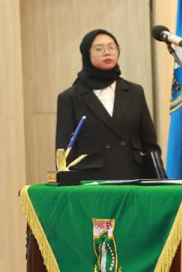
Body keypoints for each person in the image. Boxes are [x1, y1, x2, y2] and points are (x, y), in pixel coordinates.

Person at [55, 29, 160, 180]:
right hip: (91, 181)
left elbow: (150, 143)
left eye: (112, 47)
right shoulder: (70, 97)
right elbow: (63, 152)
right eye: (99, 49)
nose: (107, 52)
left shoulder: (134, 91)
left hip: (132, 178)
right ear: (86, 54)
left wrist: (157, 176)